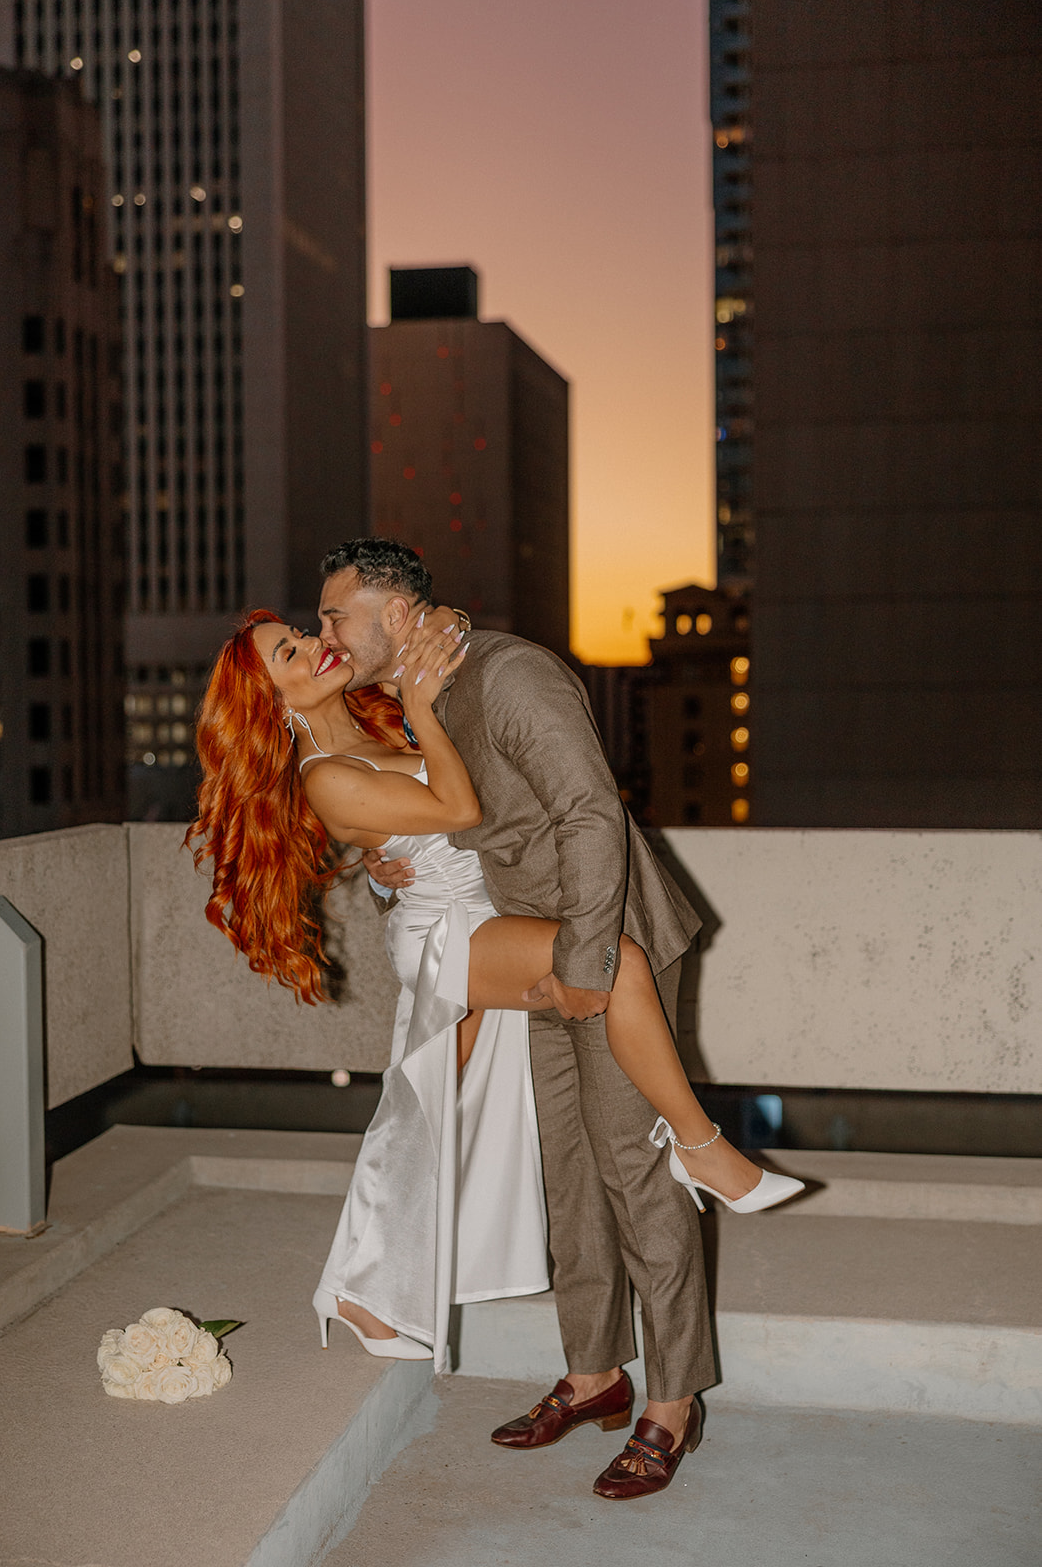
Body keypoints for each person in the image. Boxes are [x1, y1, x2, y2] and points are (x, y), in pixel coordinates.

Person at [311, 539, 802, 1503]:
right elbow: (427, 835)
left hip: (602, 942)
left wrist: (584, 962)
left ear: (396, 605)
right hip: (525, 948)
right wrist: (380, 871)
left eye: (334, 614)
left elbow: (587, 813)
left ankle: (671, 1401)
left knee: (632, 1164)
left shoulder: (508, 673)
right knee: (569, 1171)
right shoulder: (421, 688)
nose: (325, 632)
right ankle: (593, 1375)